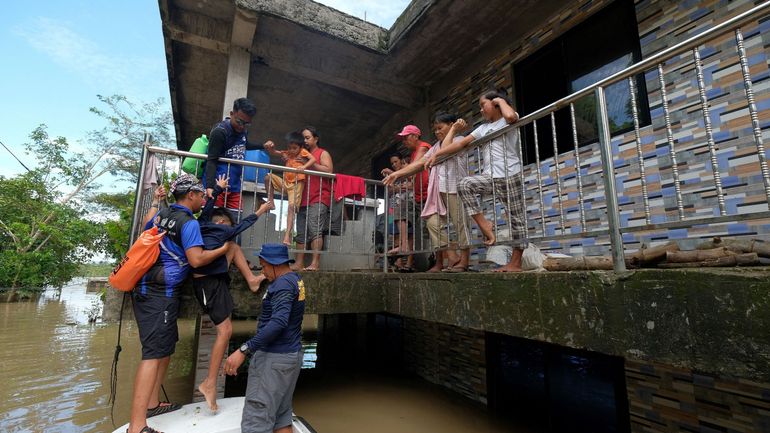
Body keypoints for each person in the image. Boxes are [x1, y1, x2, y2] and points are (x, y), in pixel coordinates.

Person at [127, 174, 231, 433]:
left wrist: (155, 201)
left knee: (165, 348)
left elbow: (145, 227)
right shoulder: (188, 223)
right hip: (157, 293)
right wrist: (223, 249)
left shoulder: (163, 214)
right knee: (152, 354)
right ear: (192, 195)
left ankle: (152, 405)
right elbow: (196, 260)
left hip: (154, 288)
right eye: (200, 195)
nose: (202, 200)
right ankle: (137, 426)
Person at [193, 174, 274, 412]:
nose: (227, 228)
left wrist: (218, 190)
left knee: (234, 246)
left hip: (217, 282)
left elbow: (212, 210)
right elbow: (243, 222)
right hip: (208, 284)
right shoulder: (215, 230)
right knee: (225, 331)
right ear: (218, 224)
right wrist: (260, 209)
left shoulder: (210, 226)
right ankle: (209, 383)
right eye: (225, 225)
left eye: (227, 226)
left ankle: (251, 280)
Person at [426, 88, 525, 272]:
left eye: (483, 105)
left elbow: (511, 116)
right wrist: (436, 155)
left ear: (496, 103)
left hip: (511, 174)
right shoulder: (483, 128)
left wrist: (500, 101)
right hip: (490, 176)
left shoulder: (507, 118)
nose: (480, 110)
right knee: (465, 184)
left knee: (516, 218)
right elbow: (460, 144)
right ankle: (484, 224)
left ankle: (515, 263)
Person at [224, 243, 305, 433]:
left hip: (273, 360)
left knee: (256, 420)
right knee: (281, 417)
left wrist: (244, 349)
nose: (263, 271)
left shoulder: (283, 285)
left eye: (264, 266)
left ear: (274, 264)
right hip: (290, 357)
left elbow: (278, 323)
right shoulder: (294, 279)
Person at [384, 113, 471, 272]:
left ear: (452, 125)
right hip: (438, 192)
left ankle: (464, 262)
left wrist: (453, 130)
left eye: (440, 128)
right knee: (433, 223)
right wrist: (397, 174)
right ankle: (452, 258)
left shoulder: (459, 140)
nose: (437, 132)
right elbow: (419, 164)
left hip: (455, 188)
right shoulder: (436, 146)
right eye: (435, 129)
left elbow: (446, 150)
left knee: (460, 224)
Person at [203, 97, 274, 213]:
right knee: (212, 222)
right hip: (218, 185)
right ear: (232, 114)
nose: (242, 126)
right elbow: (211, 160)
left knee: (234, 221)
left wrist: (262, 146)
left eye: (247, 124)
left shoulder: (243, 131)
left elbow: (244, 144)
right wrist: (210, 187)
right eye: (239, 122)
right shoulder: (220, 132)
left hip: (235, 186)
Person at [263, 131, 317, 246]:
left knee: (291, 207)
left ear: (300, 147)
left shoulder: (303, 152)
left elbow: (313, 159)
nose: (291, 150)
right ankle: (271, 201)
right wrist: (270, 147)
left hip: (296, 184)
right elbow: (274, 152)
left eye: (294, 148)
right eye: (289, 147)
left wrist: (304, 167)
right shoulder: (287, 154)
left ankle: (287, 235)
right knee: (268, 177)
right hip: (286, 182)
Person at [293, 126, 334, 271]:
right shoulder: (302, 154)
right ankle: (299, 263)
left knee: (315, 230)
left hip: (318, 197)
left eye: (307, 137)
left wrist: (311, 163)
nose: (304, 140)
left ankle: (315, 264)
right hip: (303, 198)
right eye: (303, 138)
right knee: (301, 232)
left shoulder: (322, 153)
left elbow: (329, 170)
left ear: (316, 139)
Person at [381, 153, 415, 271]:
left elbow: (413, 184)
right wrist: (396, 187)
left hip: (405, 206)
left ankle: (408, 264)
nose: (394, 164)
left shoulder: (407, 171)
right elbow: (389, 190)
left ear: (401, 161)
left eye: (396, 161)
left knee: (409, 236)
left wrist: (397, 186)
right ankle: (398, 263)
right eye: (392, 163)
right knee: (395, 234)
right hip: (392, 208)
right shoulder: (393, 176)